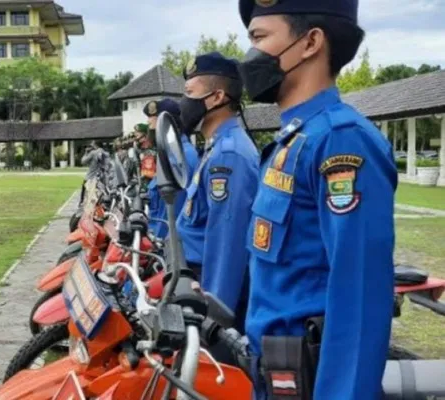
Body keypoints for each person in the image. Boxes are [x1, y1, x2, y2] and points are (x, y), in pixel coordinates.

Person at [237, 1, 397, 399]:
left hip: (310, 382)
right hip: (271, 373)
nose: (249, 57)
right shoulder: (294, 140)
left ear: (310, 42)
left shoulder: (340, 141)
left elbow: (359, 299)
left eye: (259, 38)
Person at [175, 53, 259, 338]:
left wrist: (214, 316)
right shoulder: (216, 147)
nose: (183, 103)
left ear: (216, 96)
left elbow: (227, 242)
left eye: (189, 93)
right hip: (195, 276)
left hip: (208, 285)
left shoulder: (230, 154)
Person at [143, 99, 199, 240]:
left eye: (153, 118)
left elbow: (173, 211)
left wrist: (158, 242)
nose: (149, 122)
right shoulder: (172, 153)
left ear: (166, 122)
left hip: (168, 242)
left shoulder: (181, 156)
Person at [79, 140, 109, 206]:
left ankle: (81, 204)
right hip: (102, 177)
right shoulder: (106, 153)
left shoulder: (93, 153)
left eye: (91, 145)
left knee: (85, 193)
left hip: (91, 177)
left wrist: (86, 152)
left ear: (95, 145)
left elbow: (83, 162)